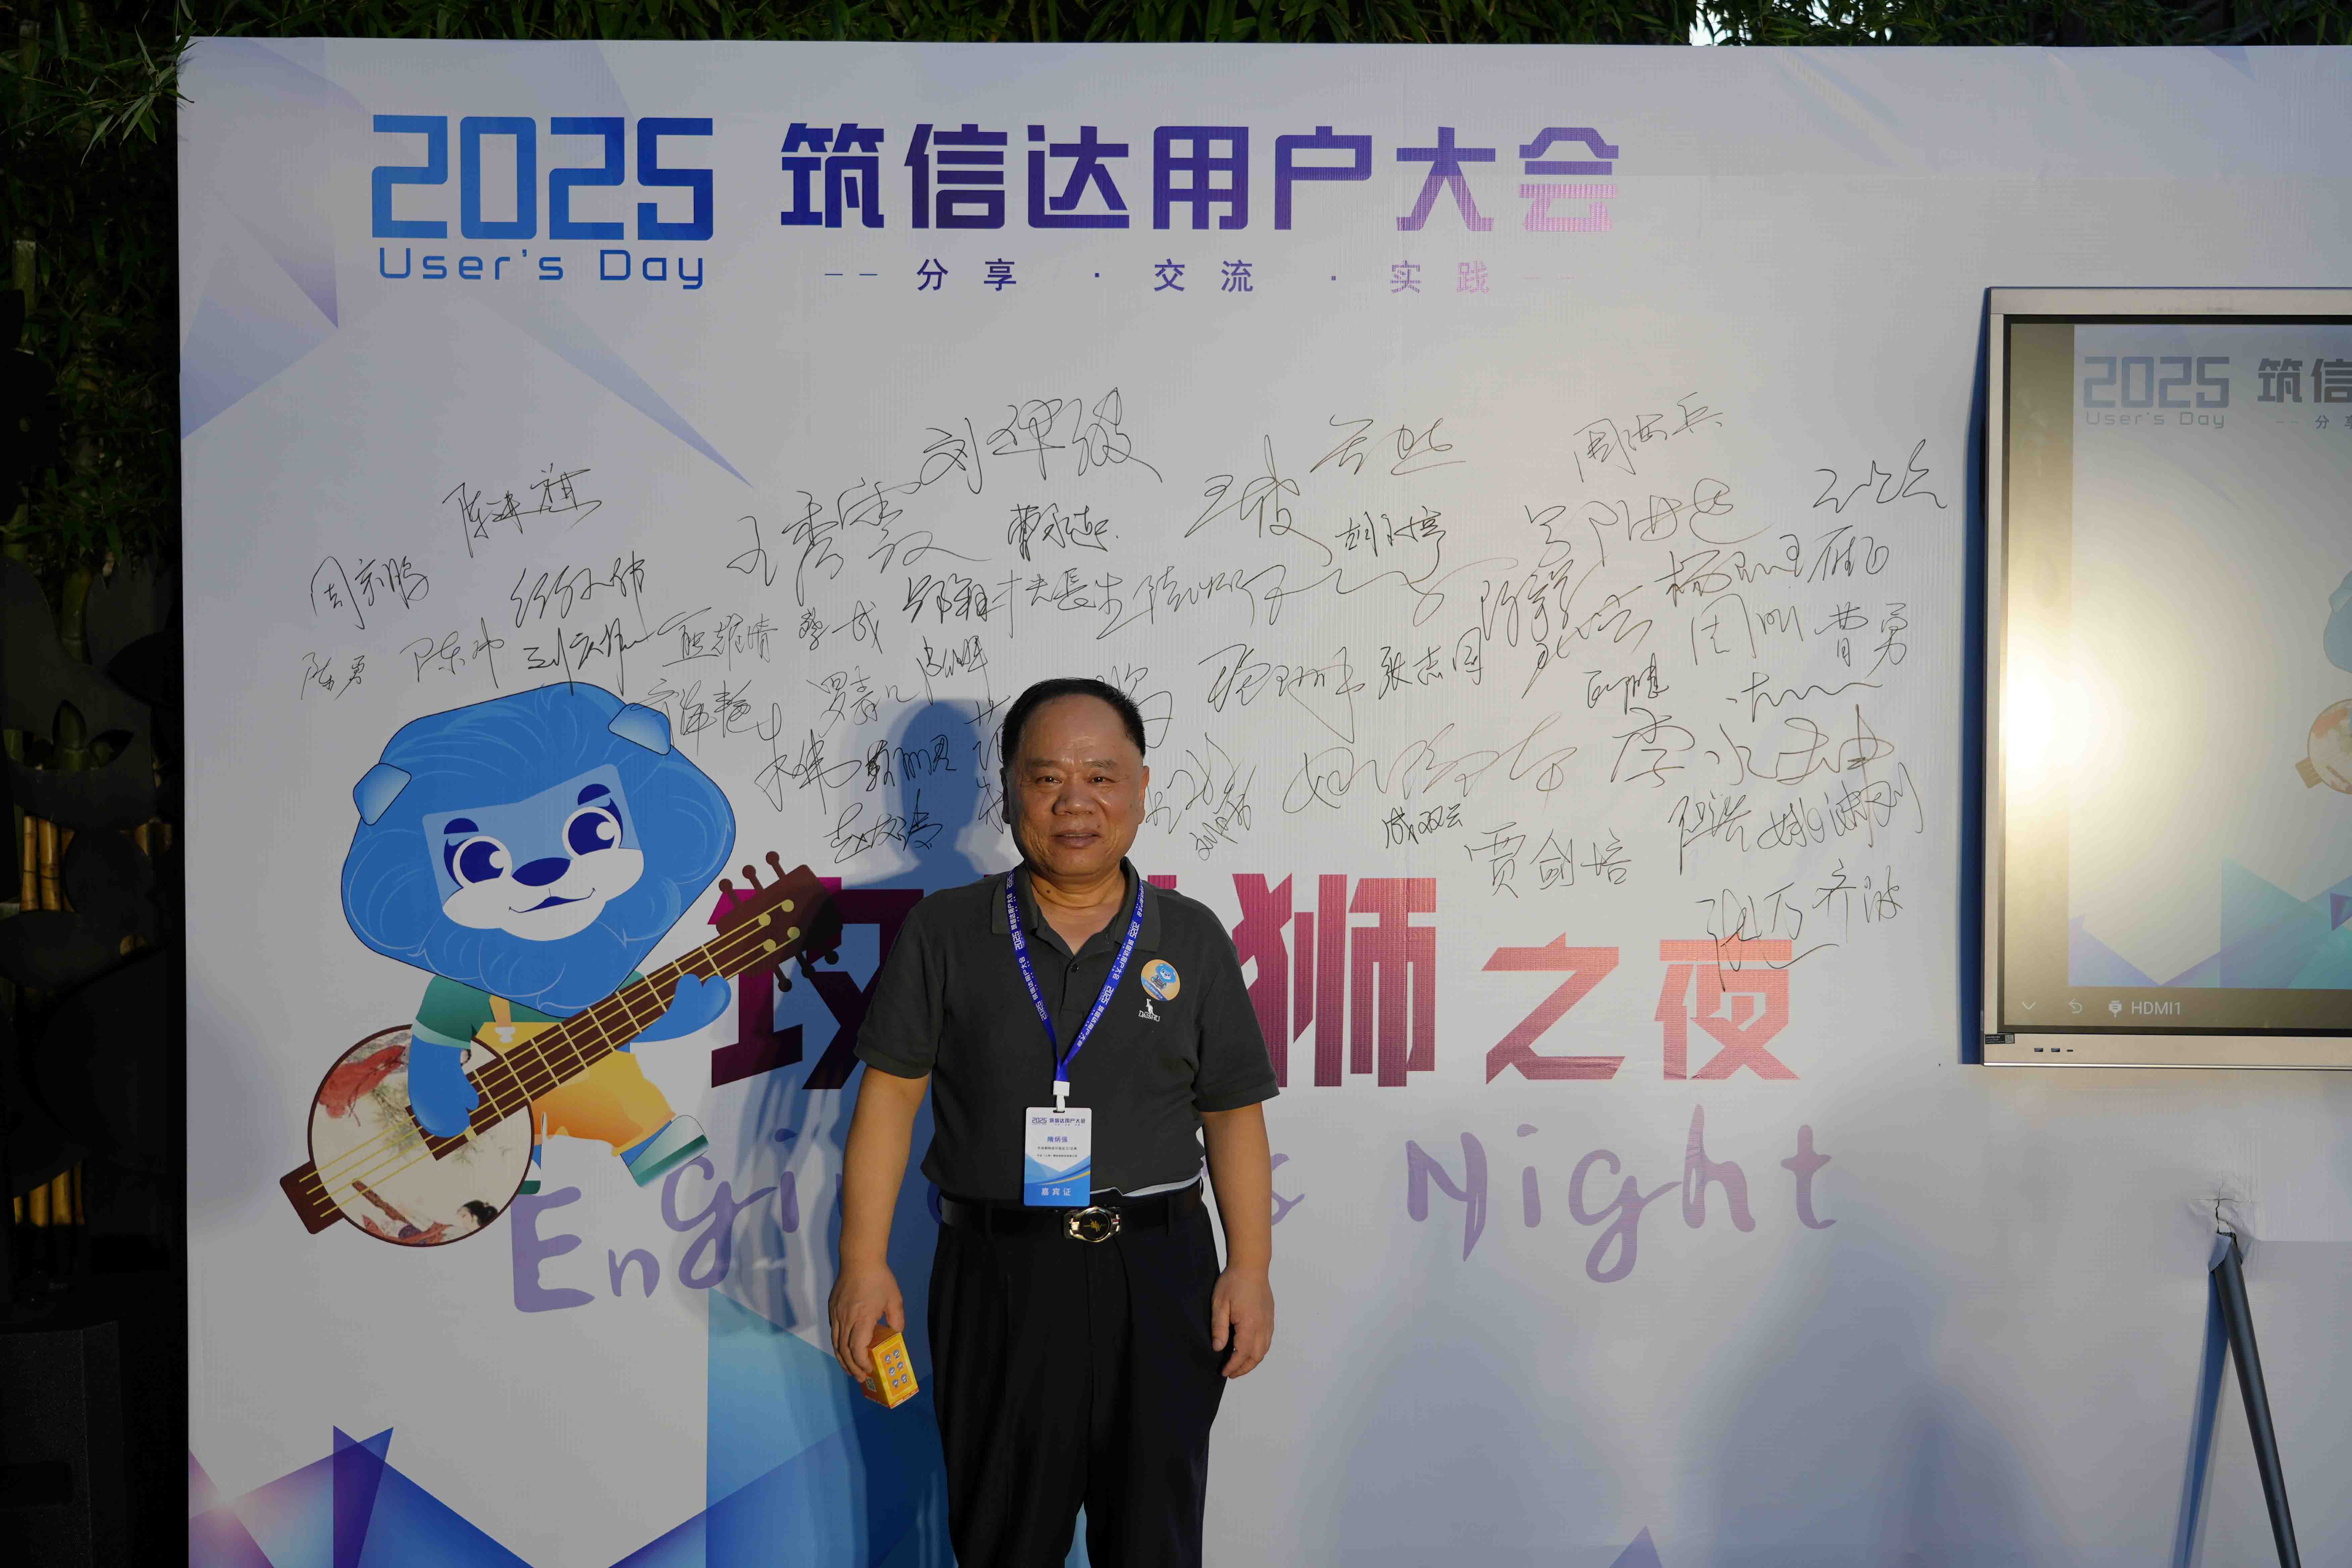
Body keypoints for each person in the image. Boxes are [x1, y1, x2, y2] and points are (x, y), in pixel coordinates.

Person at [829, 677, 1279, 1568]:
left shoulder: (1191, 938)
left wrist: (1252, 1268)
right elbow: (889, 1100)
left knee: (1153, 1540)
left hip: (1160, 1275)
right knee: (1003, 1539)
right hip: (999, 1276)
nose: (1076, 803)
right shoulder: (946, 931)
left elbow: (1232, 1115)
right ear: (1009, 794)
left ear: (1141, 788)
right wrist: (862, 1262)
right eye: (1047, 779)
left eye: (1101, 777)